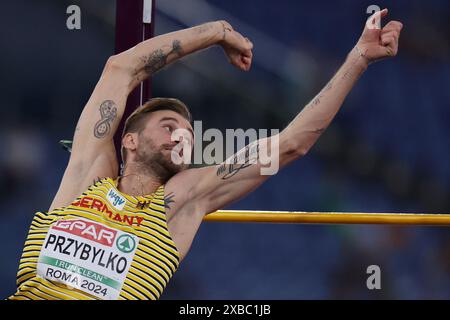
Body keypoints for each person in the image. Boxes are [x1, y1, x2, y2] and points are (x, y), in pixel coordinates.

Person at [9, 9, 402, 300]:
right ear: (129, 140)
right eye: (169, 126)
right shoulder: (86, 177)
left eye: (189, 135)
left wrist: (359, 59)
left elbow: (291, 144)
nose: (182, 137)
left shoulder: (181, 201)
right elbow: (121, 68)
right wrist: (216, 32)